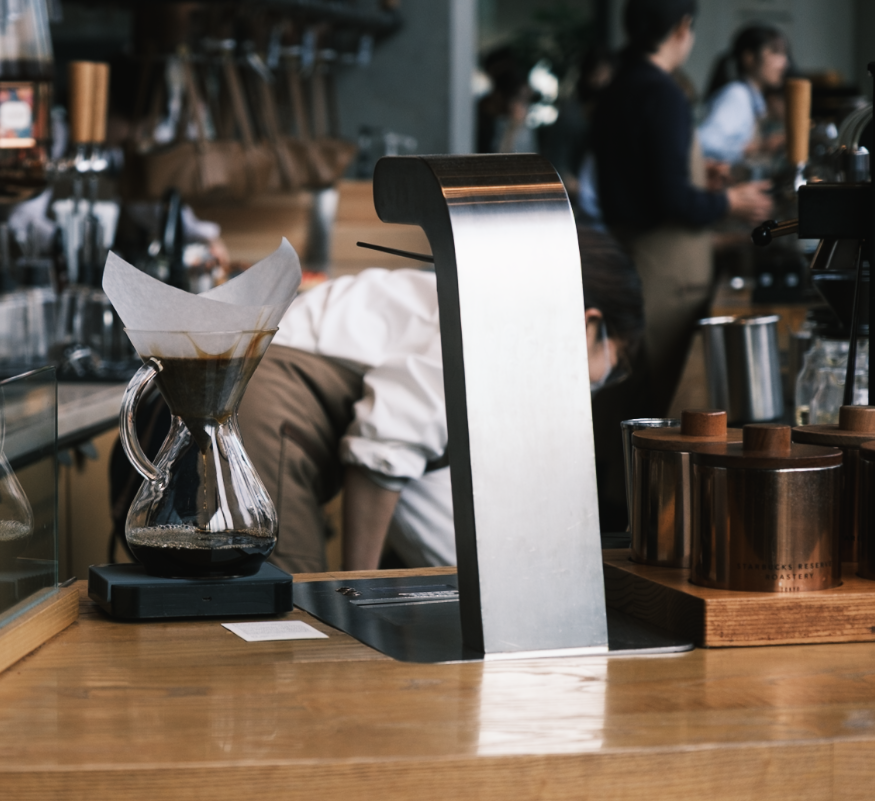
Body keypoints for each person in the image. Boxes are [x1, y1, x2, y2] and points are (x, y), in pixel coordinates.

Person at [235, 228, 644, 573]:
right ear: (590, 325)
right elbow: (382, 456)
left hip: (263, 384)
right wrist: (356, 588)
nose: (604, 379)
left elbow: (418, 483)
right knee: (293, 612)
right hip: (268, 397)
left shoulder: (493, 316)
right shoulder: (497, 327)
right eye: (616, 361)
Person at [590, 0, 773, 416]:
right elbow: (672, 200)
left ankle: (618, 483)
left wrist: (697, 175)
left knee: (627, 403)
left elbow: (642, 177)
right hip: (664, 279)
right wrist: (732, 199)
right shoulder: (663, 93)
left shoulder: (619, 87)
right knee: (662, 406)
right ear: (681, 29)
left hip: (628, 260)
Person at [698, 25, 790, 167]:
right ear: (749, 58)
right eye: (775, 52)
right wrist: (757, 148)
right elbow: (704, 141)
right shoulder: (737, 95)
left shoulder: (753, 101)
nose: (784, 63)